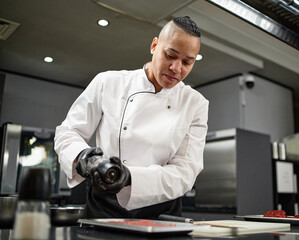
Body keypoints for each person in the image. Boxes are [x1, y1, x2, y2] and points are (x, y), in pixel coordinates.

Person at [54, 16, 209, 219]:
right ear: (154, 45)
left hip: (162, 211)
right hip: (105, 205)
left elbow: (186, 171)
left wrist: (129, 177)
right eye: (170, 55)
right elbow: (68, 132)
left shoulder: (195, 103)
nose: (176, 68)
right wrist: (86, 158)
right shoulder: (108, 82)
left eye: (187, 62)